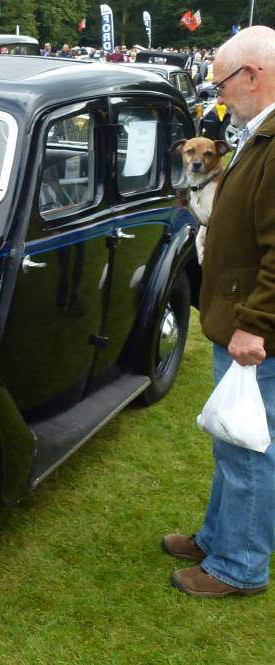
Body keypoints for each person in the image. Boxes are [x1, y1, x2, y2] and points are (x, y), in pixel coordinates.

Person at [164, 25, 275, 599]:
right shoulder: (257, 136)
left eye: (223, 80)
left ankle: (240, 567)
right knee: (230, 438)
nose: (218, 93)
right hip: (239, 321)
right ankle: (217, 536)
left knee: (249, 447)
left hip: (254, 330)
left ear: (252, 75)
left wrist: (257, 324)